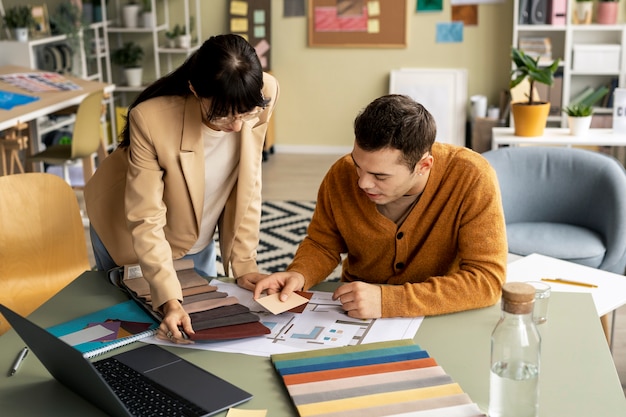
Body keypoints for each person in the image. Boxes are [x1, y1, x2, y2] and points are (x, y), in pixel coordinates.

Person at [84, 34, 279, 342]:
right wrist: (169, 301)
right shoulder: (150, 119)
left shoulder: (262, 93)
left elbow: (248, 181)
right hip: (124, 222)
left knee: (200, 326)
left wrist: (244, 265)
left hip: (195, 224)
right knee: (130, 323)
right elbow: (145, 217)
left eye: (245, 113)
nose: (237, 125)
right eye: (224, 114)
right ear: (194, 90)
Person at [239, 94, 506, 319]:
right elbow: (323, 244)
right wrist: (298, 274)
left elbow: (486, 280)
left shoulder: (471, 176)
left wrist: (389, 301)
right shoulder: (341, 174)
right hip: (354, 312)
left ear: (423, 166)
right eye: (358, 164)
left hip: (439, 316)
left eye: (380, 176)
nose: (363, 182)